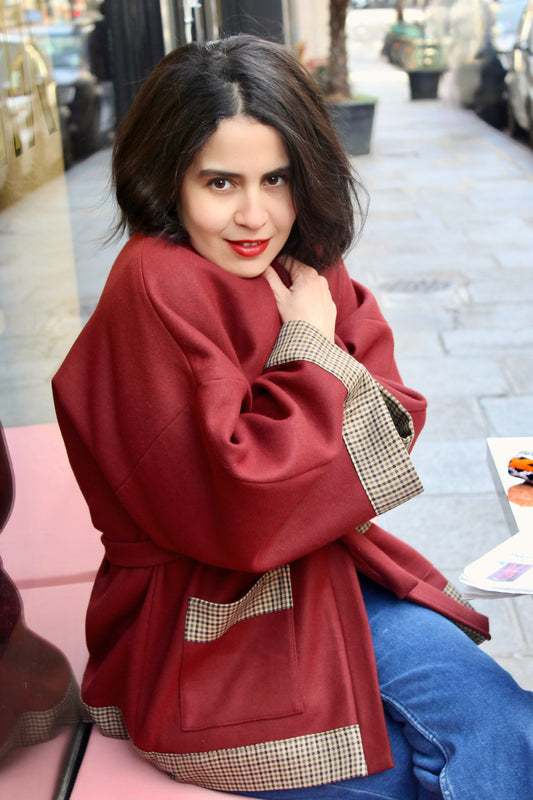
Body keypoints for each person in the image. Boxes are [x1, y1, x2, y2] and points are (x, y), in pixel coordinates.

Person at [52, 34, 533, 800]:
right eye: (219, 182)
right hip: (201, 631)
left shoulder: (298, 252)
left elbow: (394, 404)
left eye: (276, 177)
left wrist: (311, 396)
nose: (253, 213)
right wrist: (309, 344)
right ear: (166, 177)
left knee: (508, 731)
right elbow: (246, 501)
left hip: (328, 580)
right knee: (425, 773)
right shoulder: (154, 284)